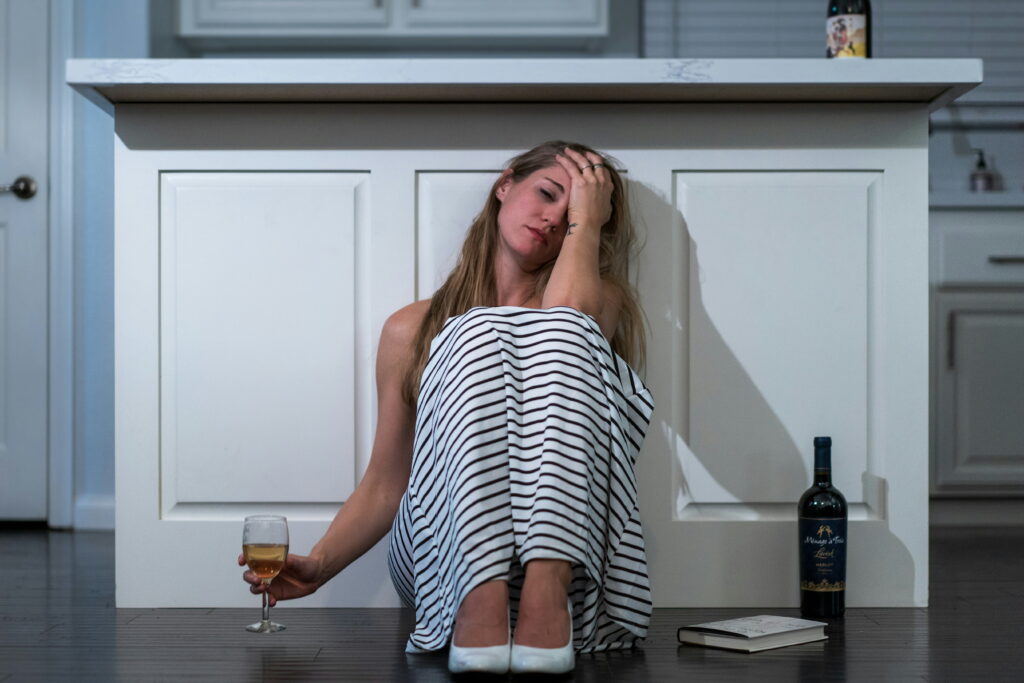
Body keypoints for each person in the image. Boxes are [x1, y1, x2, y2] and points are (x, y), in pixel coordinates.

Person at [239, 141, 655, 675]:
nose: (554, 218)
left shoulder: (600, 301)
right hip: (446, 570)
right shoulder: (412, 329)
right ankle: (480, 591)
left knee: (483, 329)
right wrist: (319, 565)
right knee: (472, 330)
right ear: (504, 185)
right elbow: (387, 483)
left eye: (574, 214)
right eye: (547, 194)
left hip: (571, 568)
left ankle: (545, 588)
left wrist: (586, 228)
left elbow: (565, 327)